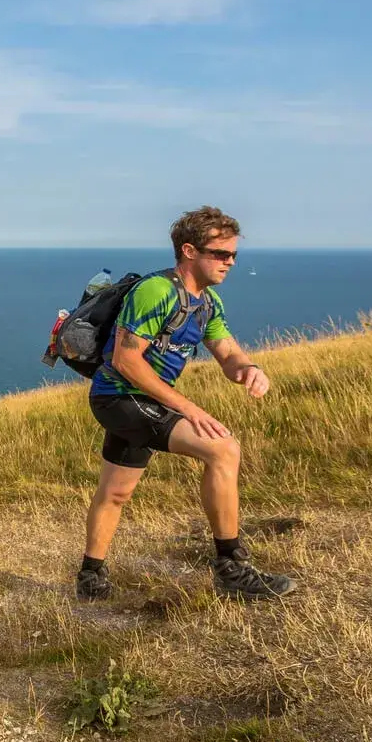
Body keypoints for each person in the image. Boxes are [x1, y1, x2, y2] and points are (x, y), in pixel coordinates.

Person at [78, 206, 296, 603]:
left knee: (116, 491)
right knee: (223, 448)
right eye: (220, 254)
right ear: (190, 250)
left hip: (141, 400)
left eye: (233, 255)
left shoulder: (208, 303)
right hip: (119, 397)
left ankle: (90, 574)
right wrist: (189, 409)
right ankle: (231, 566)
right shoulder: (157, 291)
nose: (229, 262)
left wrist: (248, 368)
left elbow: (226, 350)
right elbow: (126, 360)